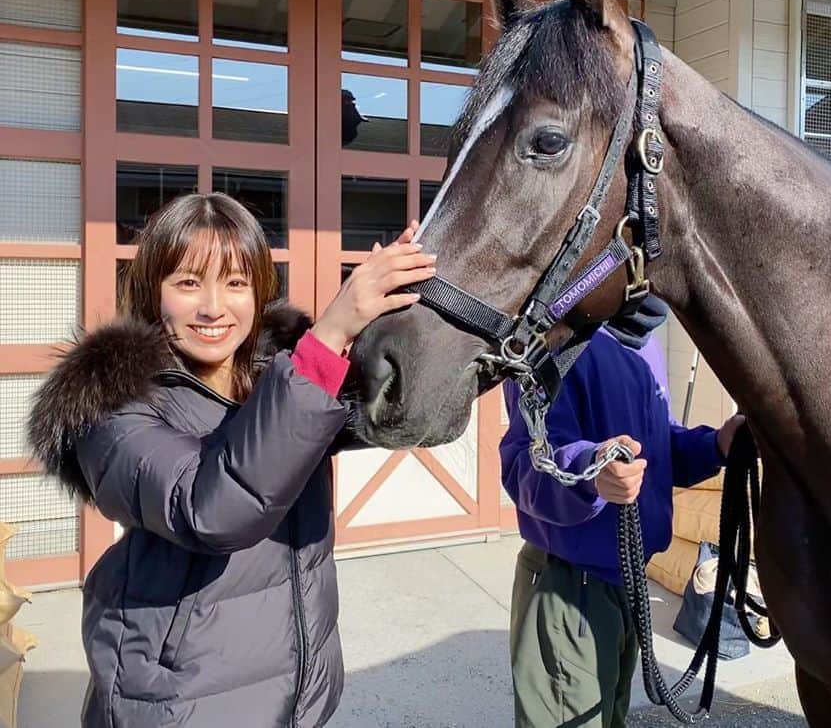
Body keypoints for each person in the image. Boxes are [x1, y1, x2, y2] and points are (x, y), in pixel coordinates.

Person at [27, 193, 436, 728]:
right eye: (188, 282)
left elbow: (392, 409)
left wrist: (444, 310)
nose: (214, 307)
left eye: (236, 283)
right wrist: (329, 333)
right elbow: (214, 510)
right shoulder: (113, 405)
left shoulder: (272, 374)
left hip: (293, 694)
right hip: (180, 703)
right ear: (153, 290)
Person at [500, 295, 745, 728]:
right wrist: (591, 473)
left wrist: (717, 446)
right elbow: (524, 461)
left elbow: (658, 444)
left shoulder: (642, 339)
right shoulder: (554, 337)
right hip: (570, 587)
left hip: (628, 581)